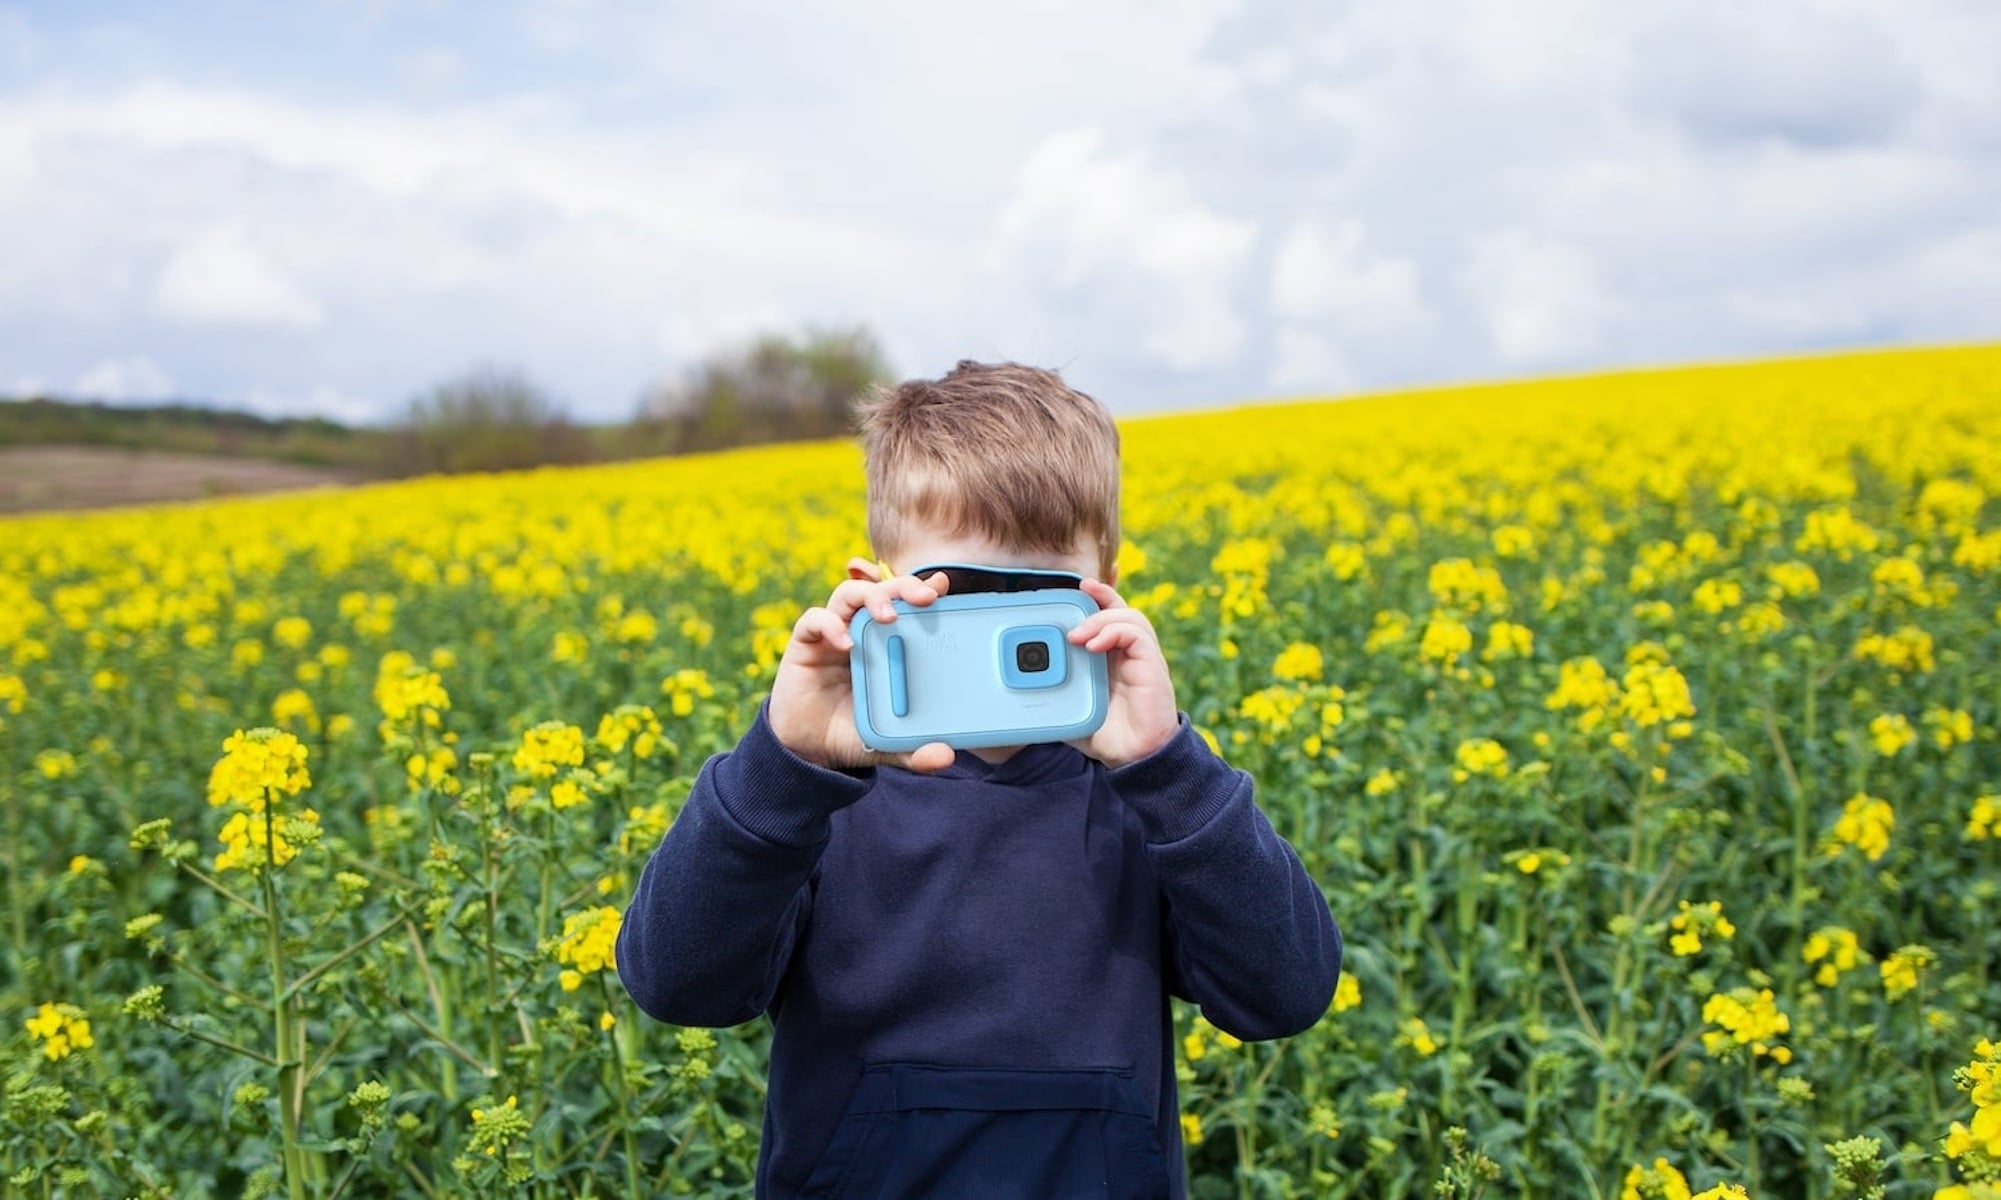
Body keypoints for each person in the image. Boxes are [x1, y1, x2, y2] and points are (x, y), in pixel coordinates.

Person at [616, 361, 1342, 1199]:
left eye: (1038, 592)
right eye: (958, 589)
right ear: (872, 587)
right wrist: (787, 763)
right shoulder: (820, 788)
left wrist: (1169, 769)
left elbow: (1283, 995)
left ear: (1102, 589)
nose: (998, 623)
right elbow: (676, 985)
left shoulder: (1143, 792)